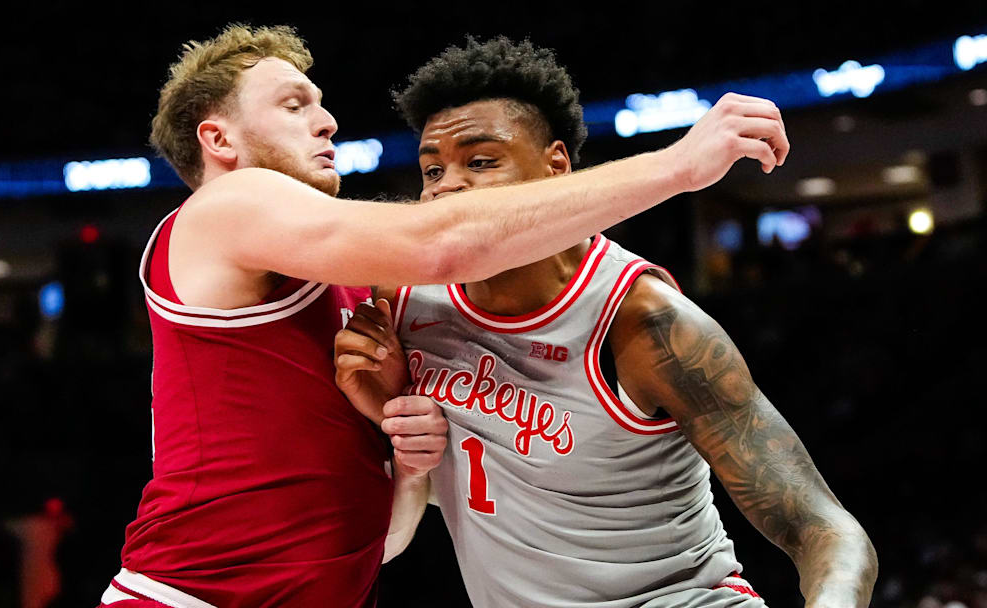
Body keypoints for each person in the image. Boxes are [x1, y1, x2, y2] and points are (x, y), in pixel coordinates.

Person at [101, 22, 790, 608]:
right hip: (186, 594)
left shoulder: (346, 286)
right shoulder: (228, 206)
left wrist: (407, 458)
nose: (326, 120)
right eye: (292, 105)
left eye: (320, 102)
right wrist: (678, 166)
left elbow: (385, 539)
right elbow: (444, 244)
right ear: (220, 140)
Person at [334, 37, 875, 608]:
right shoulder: (401, 302)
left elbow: (827, 531)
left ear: (557, 167)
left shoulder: (644, 322)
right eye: (432, 169)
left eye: (481, 161)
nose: (447, 185)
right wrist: (392, 419)